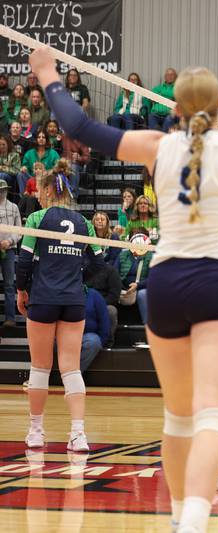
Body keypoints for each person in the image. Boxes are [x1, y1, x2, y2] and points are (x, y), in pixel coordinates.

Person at [31, 44, 218, 532]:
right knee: (214, 410)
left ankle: (179, 516)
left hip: (167, 283)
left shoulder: (155, 145)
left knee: (178, 417)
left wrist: (47, 74)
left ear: (174, 107)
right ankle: (193, 519)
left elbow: (78, 126)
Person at [17, 160, 104, 454]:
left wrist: (21, 290)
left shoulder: (37, 218)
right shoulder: (84, 223)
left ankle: (36, 432)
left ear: (46, 191)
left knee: (40, 368)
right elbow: (99, 264)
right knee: (71, 368)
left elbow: (24, 261)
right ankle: (78, 435)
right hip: (73, 300)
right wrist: (78, 280)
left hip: (43, 297)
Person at [0, 178, 21, 327]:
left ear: (7, 190)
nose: (1, 192)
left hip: (9, 249)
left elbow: (19, 229)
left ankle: (10, 318)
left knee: (9, 284)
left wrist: (10, 241)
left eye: (3, 190)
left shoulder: (14, 207)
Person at [80, 287, 111, 372]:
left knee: (94, 342)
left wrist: (101, 341)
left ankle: (74, 375)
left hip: (86, 336)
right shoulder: (58, 294)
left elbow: (104, 321)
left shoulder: (94, 295)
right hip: (63, 336)